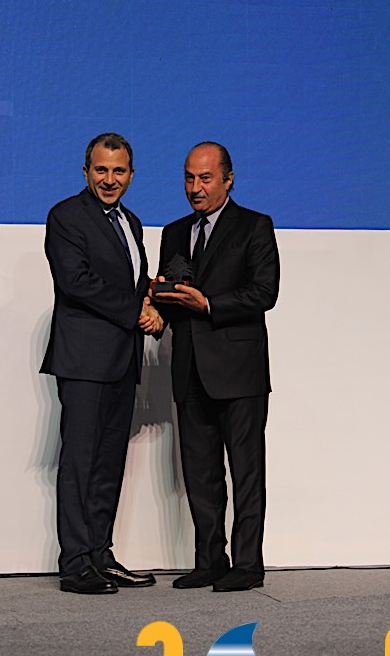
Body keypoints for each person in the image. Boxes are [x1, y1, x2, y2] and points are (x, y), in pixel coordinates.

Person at [154, 142, 279, 592]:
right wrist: (156, 304)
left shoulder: (255, 226)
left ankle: (247, 564)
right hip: (190, 369)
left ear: (228, 179)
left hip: (239, 372)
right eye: (189, 178)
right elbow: (173, 293)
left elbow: (264, 292)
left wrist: (208, 304)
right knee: (200, 474)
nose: (196, 188)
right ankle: (209, 560)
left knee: (246, 471)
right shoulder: (174, 232)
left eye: (205, 178)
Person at [41, 133, 162, 594]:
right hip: (84, 361)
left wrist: (156, 301)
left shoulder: (131, 222)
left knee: (109, 463)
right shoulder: (66, 216)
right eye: (101, 170)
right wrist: (136, 311)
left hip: (122, 359)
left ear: (131, 174)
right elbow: (76, 281)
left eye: (118, 171)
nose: (109, 179)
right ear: (86, 171)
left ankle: (99, 555)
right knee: (80, 463)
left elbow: (133, 283)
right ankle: (75, 564)